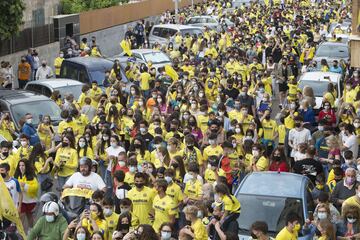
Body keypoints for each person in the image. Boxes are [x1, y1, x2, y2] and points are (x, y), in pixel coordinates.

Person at [14, 159, 39, 232]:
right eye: (20, 165)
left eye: (23, 165)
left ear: (26, 166)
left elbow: (35, 188)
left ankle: (31, 230)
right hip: (21, 200)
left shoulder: (32, 177)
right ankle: (20, 232)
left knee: (29, 216)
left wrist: (25, 185)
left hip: (30, 200)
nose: (21, 167)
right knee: (21, 216)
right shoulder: (16, 175)